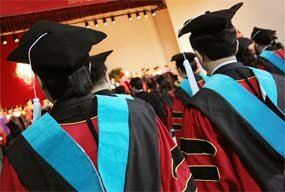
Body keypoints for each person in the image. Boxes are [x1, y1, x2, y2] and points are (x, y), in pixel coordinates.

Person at [1, 20, 195, 191]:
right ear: (88, 69)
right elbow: (178, 182)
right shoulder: (139, 114)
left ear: (41, 84)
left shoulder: (24, 153)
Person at [178, 2, 284, 191]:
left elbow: (210, 182)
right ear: (235, 45)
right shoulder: (277, 82)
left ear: (199, 57)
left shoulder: (199, 108)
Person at [169, 52, 208, 143]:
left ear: (179, 70)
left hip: (198, 135)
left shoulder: (181, 91)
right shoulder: (209, 79)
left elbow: (180, 122)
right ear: (196, 66)